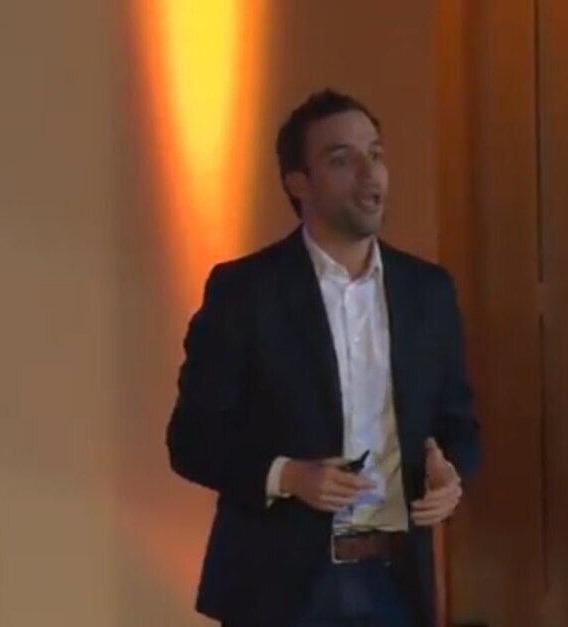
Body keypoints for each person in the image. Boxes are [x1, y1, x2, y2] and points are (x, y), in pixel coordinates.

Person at [167, 88, 481, 627]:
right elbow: (192, 438)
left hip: (395, 583)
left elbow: (459, 423)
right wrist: (289, 476)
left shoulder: (427, 291)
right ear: (299, 183)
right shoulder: (246, 292)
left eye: (376, 154)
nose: (369, 174)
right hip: (279, 588)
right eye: (342, 160)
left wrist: (450, 474)